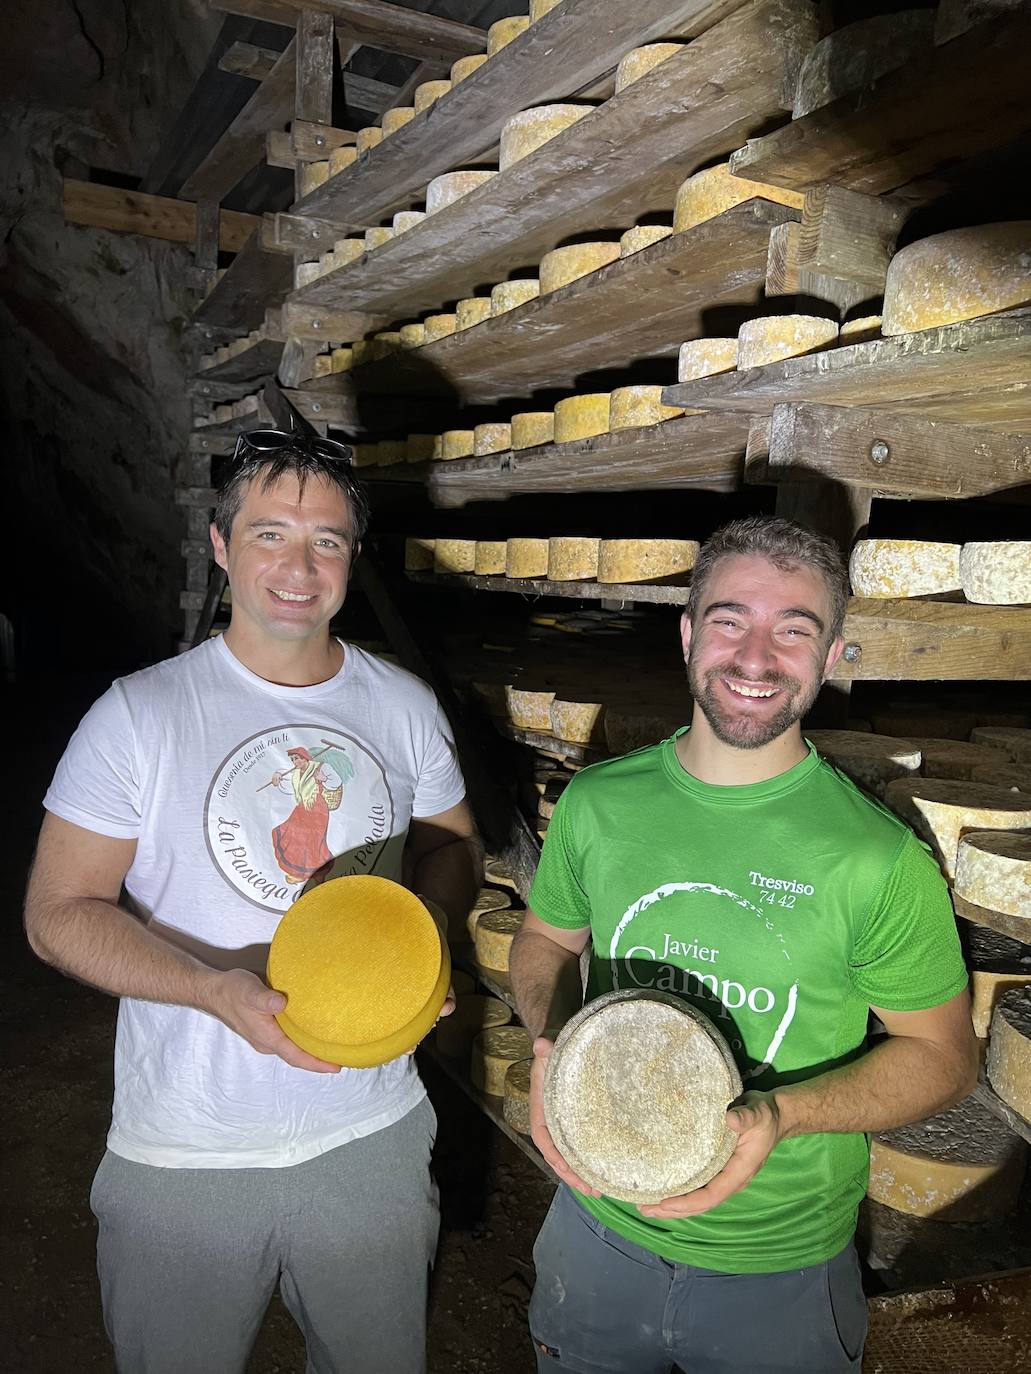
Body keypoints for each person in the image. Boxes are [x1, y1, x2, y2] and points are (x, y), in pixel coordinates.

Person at [24, 429, 481, 1374]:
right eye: (269, 534)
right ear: (222, 544)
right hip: (189, 1151)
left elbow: (452, 844)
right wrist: (213, 990)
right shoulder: (139, 714)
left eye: (327, 540)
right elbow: (59, 911)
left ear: (354, 556)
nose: (298, 567)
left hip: (372, 1137)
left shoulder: (401, 705)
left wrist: (423, 938)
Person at [510, 515, 977, 1374]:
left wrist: (782, 1112)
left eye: (792, 631)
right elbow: (543, 941)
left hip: (779, 1276)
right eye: (729, 621)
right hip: (595, 1237)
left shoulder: (874, 859)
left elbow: (942, 1056)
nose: (755, 659)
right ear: (688, 634)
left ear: (833, 654)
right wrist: (552, 1045)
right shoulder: (599, 803)